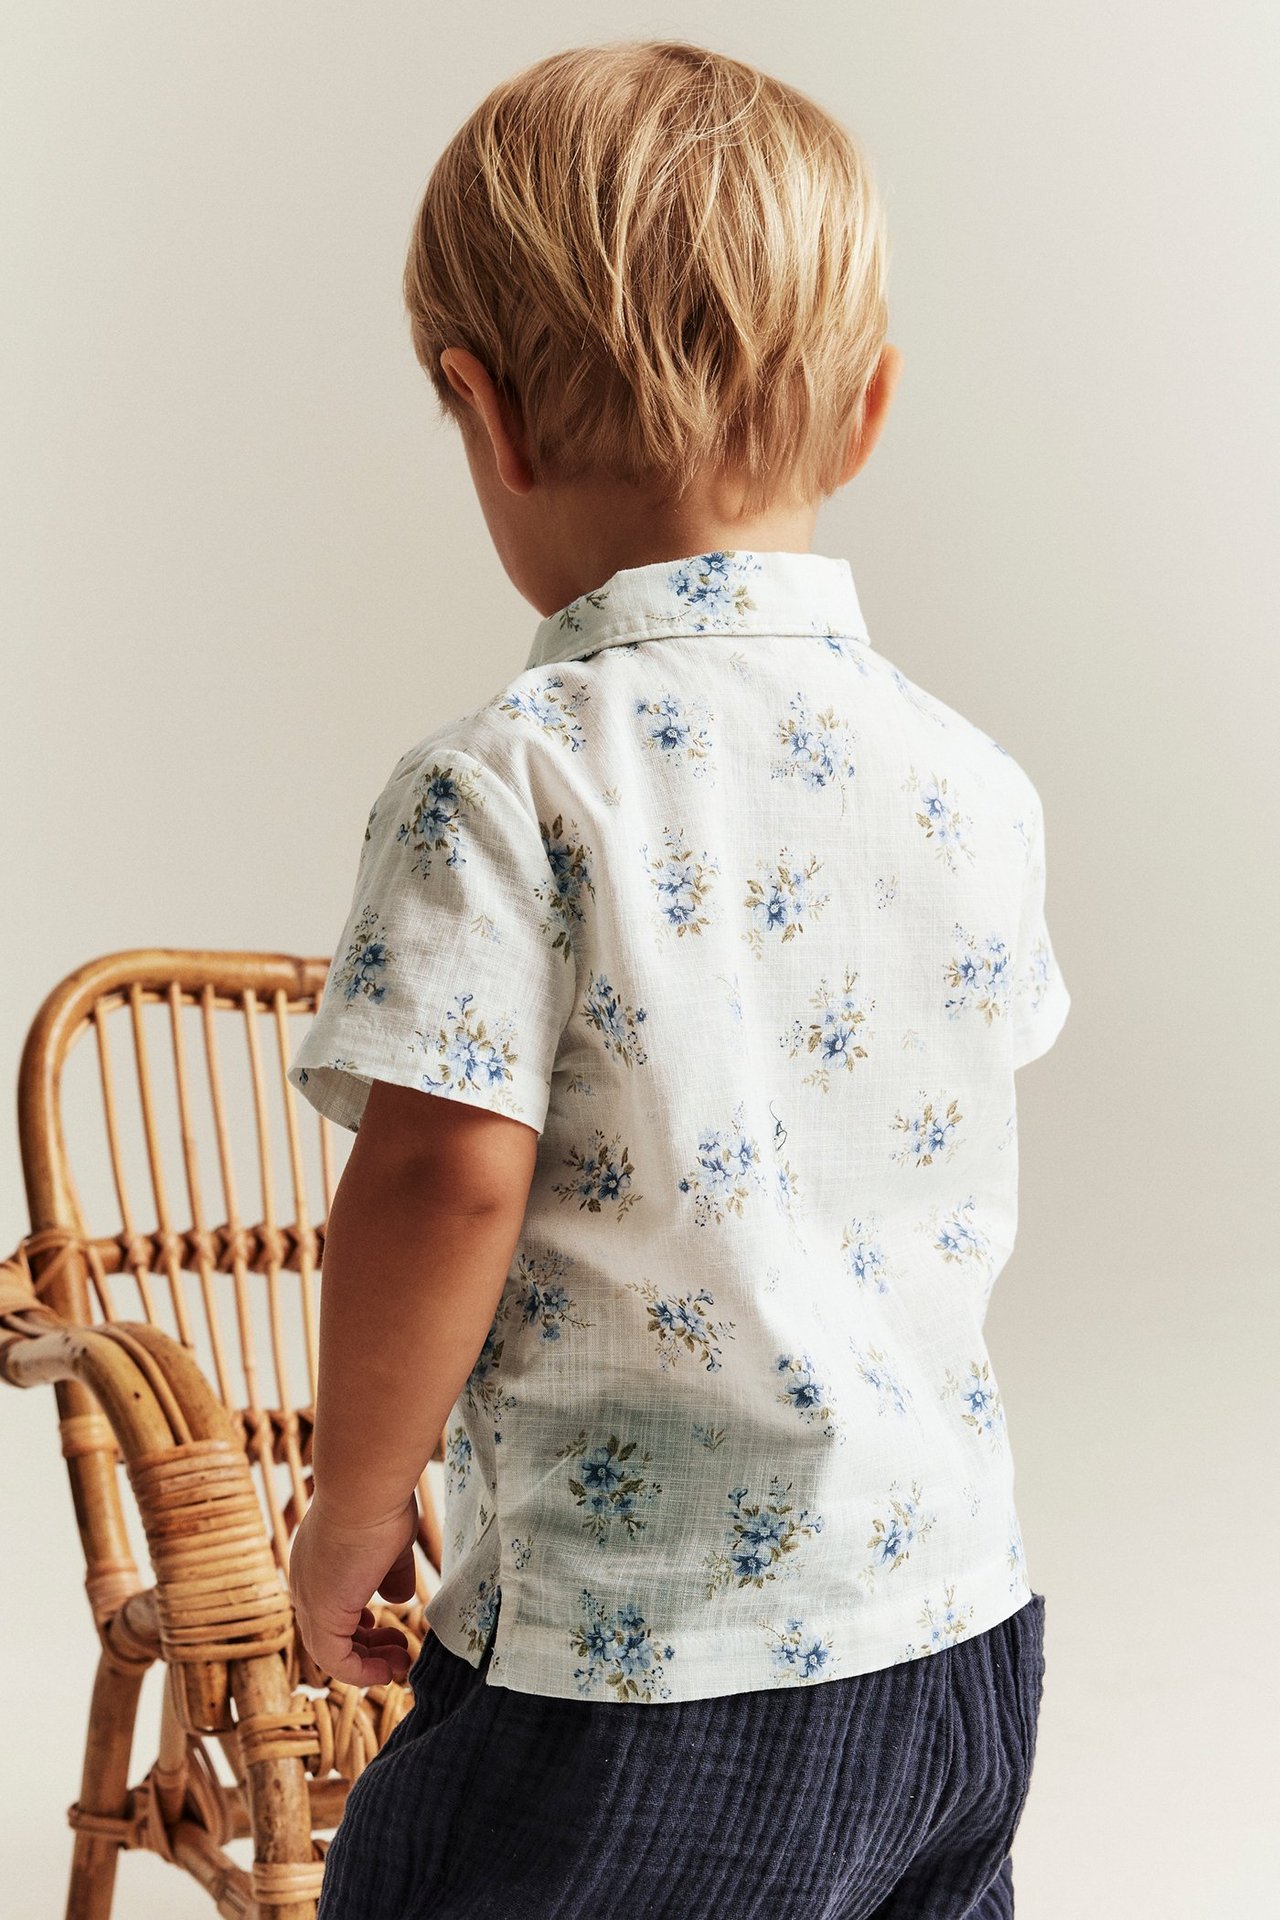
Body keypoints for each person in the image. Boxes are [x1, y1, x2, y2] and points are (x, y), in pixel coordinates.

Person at [285, 37, 1069, 1920]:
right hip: (954, 1633)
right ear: (868, 411)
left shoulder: (517, 777)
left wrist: (351, 1506)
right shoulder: (971, 780)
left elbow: (442, 1174)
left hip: (641, 1676)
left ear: (484, 416)